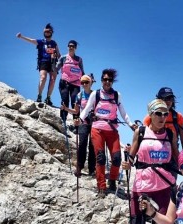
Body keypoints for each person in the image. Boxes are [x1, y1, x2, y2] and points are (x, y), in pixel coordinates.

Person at [120, 99, 179, 224]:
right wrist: (128, 162)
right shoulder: (142, 131)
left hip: (163, 186)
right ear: (151, 115)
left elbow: (176, 158)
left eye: (165, 114)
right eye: (158, 114)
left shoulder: (170, 134)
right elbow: (133, 155)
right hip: (143, 185)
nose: (163, 117)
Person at [77, 69, 137, 197]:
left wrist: (130, 124)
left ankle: (113, 180)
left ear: (112, 82)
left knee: (116, 158)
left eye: (110, 80)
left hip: (112, 130)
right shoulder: (96, 94)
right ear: (101, 80)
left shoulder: (117, 95)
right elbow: (87, 109)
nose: (107, 82)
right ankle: (101, 187)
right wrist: (80, 119)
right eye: (105, 79)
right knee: (100, 157)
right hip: (97, 129)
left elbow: (123, 112)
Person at [16, 23, 60, 106]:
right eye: (45, 31)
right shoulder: (41, 41)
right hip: (43, 61)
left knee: (53, 80)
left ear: (51, 32)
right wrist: (21, 37)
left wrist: (59, 59)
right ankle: (39, 95)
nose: (46, 33)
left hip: (53, 62)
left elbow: (59, 54)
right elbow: (31, 40)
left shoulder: (54, 43)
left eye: (48, 31)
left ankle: (48, 98)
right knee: (43, 78)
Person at [62, 74, 96, 177]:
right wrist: (66, 109)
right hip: (83, 123)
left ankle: (92, 169)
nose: (84, 84)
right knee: (82, 145)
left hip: (94, 123)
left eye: (86, 82)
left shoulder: (96, 95)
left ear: (91, 83)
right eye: (82, 82)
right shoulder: (79, 95)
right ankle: (79, 167)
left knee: (93, 146)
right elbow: (76, 111)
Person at [56, 40, 84, 122]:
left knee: (75, 103)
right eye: (70, 46)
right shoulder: (63, 58)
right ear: (68, 47)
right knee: (65, 101)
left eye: (73, 46)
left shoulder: (79, 59)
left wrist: (86, 80)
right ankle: (63, 120)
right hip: (64, 83)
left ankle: (76, 122)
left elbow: (82, 72)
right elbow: (56, 69)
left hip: (76, 84)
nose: (71, 47)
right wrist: (53, 62)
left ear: (75, 48)